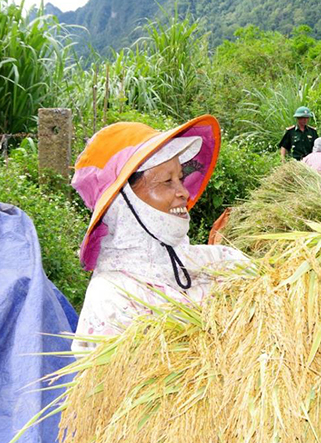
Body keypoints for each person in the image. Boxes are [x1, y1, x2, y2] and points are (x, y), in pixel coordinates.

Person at [70, 116, 248, 351]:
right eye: (167, 181)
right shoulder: (113, 300)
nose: (184, 192)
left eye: (181, 179)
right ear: (123, 203)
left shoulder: (218, 261)